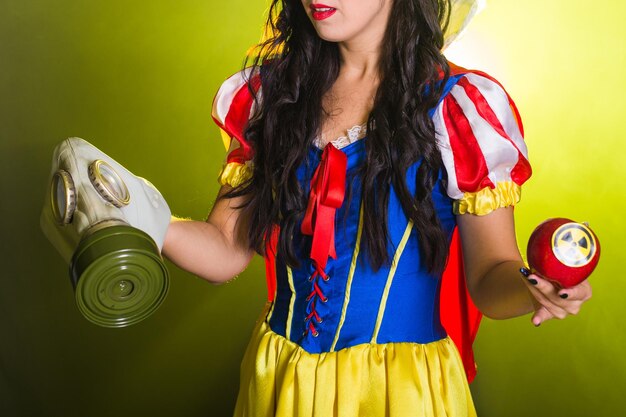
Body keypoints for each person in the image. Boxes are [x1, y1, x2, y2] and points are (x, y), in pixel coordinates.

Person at [163, 0, 593, 415]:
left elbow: (488, 279)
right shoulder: (274, 95)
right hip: (279, 378)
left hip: (398, 391)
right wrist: (135, 209)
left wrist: (535, 288)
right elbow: (223, 250)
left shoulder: (456, 108)